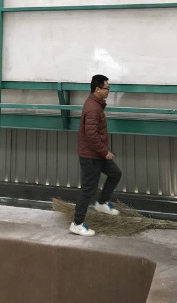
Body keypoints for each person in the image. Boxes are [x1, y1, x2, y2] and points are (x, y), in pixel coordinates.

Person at [69, 74, 122, 237]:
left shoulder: (96, 105)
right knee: (88, 190)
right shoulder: (93, 108)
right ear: (97, 89)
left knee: (115, 173)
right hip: (91, 157)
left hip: (97, 154)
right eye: (107, 88)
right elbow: (91, 135)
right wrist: (105, 152)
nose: (108, 91)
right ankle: (77, 224)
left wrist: (103, 152)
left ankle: (101, 202)